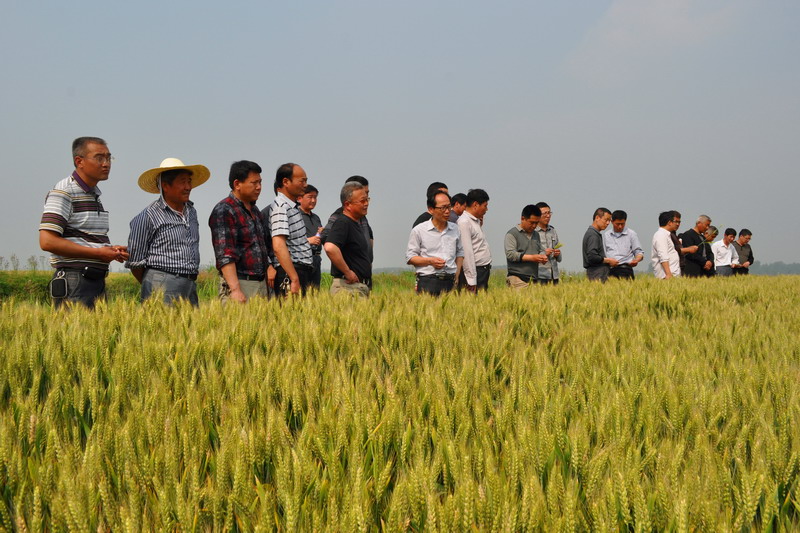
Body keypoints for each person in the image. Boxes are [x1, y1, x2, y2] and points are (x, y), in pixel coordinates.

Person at [39, 137, 129, 308]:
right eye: (99, 158)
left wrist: (110, 250)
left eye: (108, 158)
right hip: (75, 281)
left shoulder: (93, 194)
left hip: (93, 280)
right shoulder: (64, 192)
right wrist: (98, 253)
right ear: (79, 161)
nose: (106, 164)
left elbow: (83, 238)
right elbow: (47, 241)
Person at [126, 158, 210, 305]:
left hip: (190, 283)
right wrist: (155, 283)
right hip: (162, 282)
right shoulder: (148, 216)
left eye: (189, 181)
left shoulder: (191, 212)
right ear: (165, 186)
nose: (188, 187)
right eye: (182, 182)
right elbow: (135, 262)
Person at [209, 160, 270, 302]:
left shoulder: (255, 211)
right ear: (237, 184)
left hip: (261, 283)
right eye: (254, 183)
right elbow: (225, 254)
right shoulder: (225, 210)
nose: (259, 187)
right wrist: (235, 289)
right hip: (241, 283)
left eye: (260, 182)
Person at [264, 163, 314, 296]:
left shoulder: (291, 206)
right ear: (286, 182)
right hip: (291, 272)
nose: (305, 185)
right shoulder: (281, 208)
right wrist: (294, 278)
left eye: (306, 181)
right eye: (302, 181)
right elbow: (278, 246)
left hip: (299, 271)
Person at [406, 191, 464, 295]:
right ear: (431, 209)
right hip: (428, 281)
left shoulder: (455, 229)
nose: (447, 211)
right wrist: (430, 261)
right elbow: (410, 258)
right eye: (443, 208)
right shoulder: (419, 230)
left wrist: (457, 273)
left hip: (450, 281)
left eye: (449, 207)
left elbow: (460, 252)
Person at [324, 182, 372, 297]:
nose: (366, 204)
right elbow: (330, 247)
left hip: (358, 288)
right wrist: (347, 272)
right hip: (348, 288)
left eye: (367, 200)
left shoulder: (355, 223)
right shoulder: (343, 222)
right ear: (347, 204)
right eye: (362, 201)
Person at [321, 175, 374, 262]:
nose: (366, 199)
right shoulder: (340, 217)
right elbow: (326, 238)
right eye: (362, 194)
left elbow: (370, 238)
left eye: (367, 193)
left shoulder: (362, 217)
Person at [504, 204, 549, 288]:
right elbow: (510, 254)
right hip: (517, 279)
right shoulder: (512, 234)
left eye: (536, 223)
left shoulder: (536, 235)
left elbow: (540, 250)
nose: (534, 226)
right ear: (523, 219)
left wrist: (542, 256)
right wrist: (532, 258)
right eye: (531, 222)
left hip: (533, 280)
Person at [457, 189, 492, 292]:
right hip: (476, 271)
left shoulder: (475, 221)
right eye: (485, 206)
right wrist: (471, 280)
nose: (486, 209)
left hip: (482, 270)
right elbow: (467, 252)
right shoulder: (464, 222)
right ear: (476, 204)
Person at [602, 210, 644, 280]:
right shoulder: (606, 235)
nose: (620, 226)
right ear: (612, 222)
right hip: (610, 271)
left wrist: (636, 260)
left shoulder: (631, 234)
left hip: (626, 270)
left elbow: (639, 252)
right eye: (617, 224)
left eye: (622, 224)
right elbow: (602, 254)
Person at [299, 184, 324, 288]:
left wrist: (323, 233)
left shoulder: (316, 217)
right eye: (310, 197)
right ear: (300, 198)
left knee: (315, 291)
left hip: (316, 258)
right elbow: (289, 239)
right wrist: (308, 240)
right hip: (302, 260)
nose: (313, 200)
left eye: (315, 197)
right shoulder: (295, 215)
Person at [582, 207, 617, 282]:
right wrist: (608, 260)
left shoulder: (593, 233)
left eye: (609, 221)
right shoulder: (593, 235)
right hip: (597, 273)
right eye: (606, 220)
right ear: (597, 218)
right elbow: (592, 256)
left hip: (596, 272)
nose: (608, 223)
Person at [534, 202, 562, 284]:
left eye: (549, 213)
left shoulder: (553, 231)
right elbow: (530, 253)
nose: (548, 216)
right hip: (540, 275)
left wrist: (557, 253)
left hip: (554, 275)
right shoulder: (533, 232)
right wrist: (544, 253)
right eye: (545, 213)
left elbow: (559, 258)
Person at [652, 211, 681, 279]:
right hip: (667, 277)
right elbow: (663, 256)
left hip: (672, 276)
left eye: (679, 222)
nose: (678, 224)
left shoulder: (667, 235)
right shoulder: (661, 235)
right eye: (676, 222)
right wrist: (668, 274)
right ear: (669, 222)